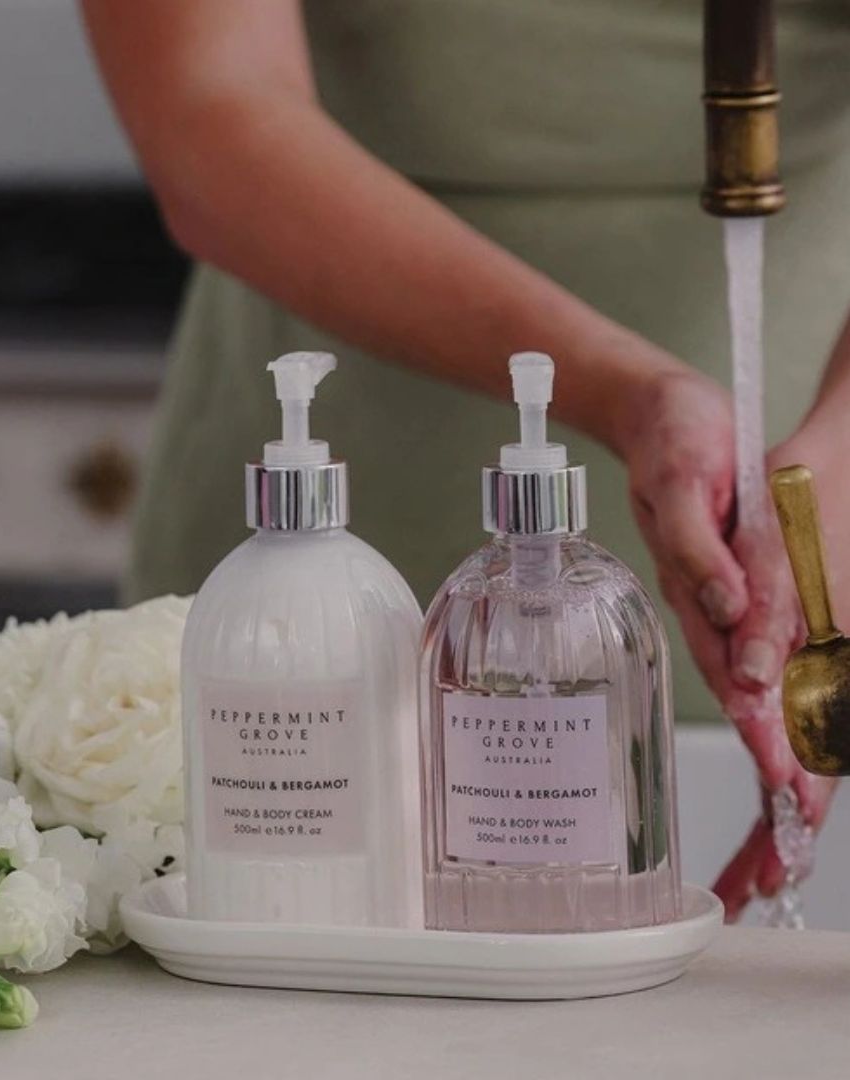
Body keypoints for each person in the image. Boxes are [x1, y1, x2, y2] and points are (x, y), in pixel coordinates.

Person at [81, 0, 850, 918]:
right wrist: (622, 392)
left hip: (813, 488)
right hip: (310, 613)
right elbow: (209, 109)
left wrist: (842, 450)